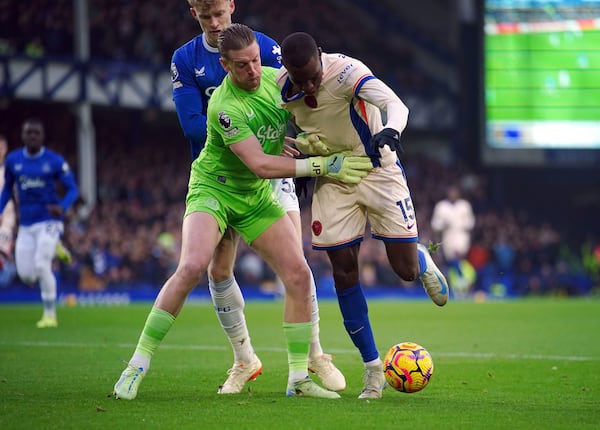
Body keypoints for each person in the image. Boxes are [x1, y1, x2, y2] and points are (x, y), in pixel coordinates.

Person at [113, 23, 372, 400]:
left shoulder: (276, 80)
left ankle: (299, 378)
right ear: (225, 66)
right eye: (241, 66)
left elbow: (312, 103)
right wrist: (323, 166)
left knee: (299, 274)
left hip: (253, 198)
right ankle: (137, 364)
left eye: (254, 61)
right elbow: (261, 165)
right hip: (214, 190)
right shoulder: (223, 106)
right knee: (192, 266)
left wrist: (306, 141)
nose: (252, 71)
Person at [170, 0, 345, 394]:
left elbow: (298, 96)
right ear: (192, 13)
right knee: (217, 271)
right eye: (206, 16)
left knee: (295, 265)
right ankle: (244, 360)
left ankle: (313, 355)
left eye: (220, 14)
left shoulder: (264, 47)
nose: (215, 24)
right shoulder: (185, 59)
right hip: (224, 174)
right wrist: (255, 142)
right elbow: (192, 124)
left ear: (232, 6)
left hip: (270, 170)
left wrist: (298, 139)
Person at [277, 32, 449, 399]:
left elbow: (395, 104)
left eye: (311, 76)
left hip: (377, 167)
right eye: (299, 79)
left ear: (320, 57)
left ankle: (419, 257)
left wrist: (391, 129)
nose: (307, 85)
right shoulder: (279, 86)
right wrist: (301, 155)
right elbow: (276, 133)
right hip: (333, 176)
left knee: (403, 271)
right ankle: (373, 370)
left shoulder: (347, 73)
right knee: (343, 270)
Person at [0, 119, 79, 327]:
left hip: (49, 221)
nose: (32, 136)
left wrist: (62, 206)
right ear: (23, 136)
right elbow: (7, 189)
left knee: (42, 264)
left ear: (42, 137)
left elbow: (73, 189)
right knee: (26, 276)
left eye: (36, 133)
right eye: (29, 133)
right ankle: (57, 247)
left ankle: (50, 315)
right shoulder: (13, 160)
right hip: (26, 225)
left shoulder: (54, 161)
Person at [431, 184, 476, 298]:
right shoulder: (441, 206)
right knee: (453, 262)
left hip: (461, 235)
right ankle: (459, 286)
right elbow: (435, 224)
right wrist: (444, 224)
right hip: (448, 236)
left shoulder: (464, 205)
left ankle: (462, 284)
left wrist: (462, 224)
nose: (453, 194)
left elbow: (471, 222)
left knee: (458, 258)